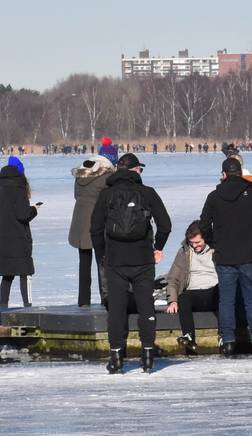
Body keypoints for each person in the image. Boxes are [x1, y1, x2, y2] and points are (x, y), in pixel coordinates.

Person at [91, 153, 172, 374]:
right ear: (136, 170)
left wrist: (103, 255)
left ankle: (116, 357)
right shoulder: (147, 193)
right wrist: (157, 247)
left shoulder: (106, 194)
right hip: (143, 259)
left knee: (116, 309)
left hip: (115, 260)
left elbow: (95, 229)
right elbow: (165, 225)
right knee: (146, 306)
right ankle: (147, 356)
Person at [199, 157, 252, 357]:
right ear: (240, 173)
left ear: (224, 174)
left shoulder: (214, 196)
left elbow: (204, 225)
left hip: (225, 256)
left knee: (226, 301)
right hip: (250, 256)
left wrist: (214, 244)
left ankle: (228, 342)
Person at [165, 221, 218, 355]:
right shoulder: (185, 251)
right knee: (183, 298)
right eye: (192, 243)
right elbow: (173, 278)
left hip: (214, 290)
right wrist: (172, 300)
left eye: (198, 242)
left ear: (205, 237)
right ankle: (188, 338)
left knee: (224, 294)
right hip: (194, 293)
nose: (195, 246)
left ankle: (224, 337)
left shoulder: (217, 249)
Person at [70, 156, 114, 307]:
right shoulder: (106, 178)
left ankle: (83, 301)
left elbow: (76, 196)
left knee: (84, 264)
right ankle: (106, 298)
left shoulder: (79, 178)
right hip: (98, 223)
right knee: (103, 263)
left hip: (80, 223)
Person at [0, 163, 38, 308]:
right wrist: (33, 209)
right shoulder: (19, 192)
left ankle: (3, 306)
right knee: (24, 274)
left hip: (1, 241)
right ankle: (28, 305)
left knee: (7, 276)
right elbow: (23, 215)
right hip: (19, 240)